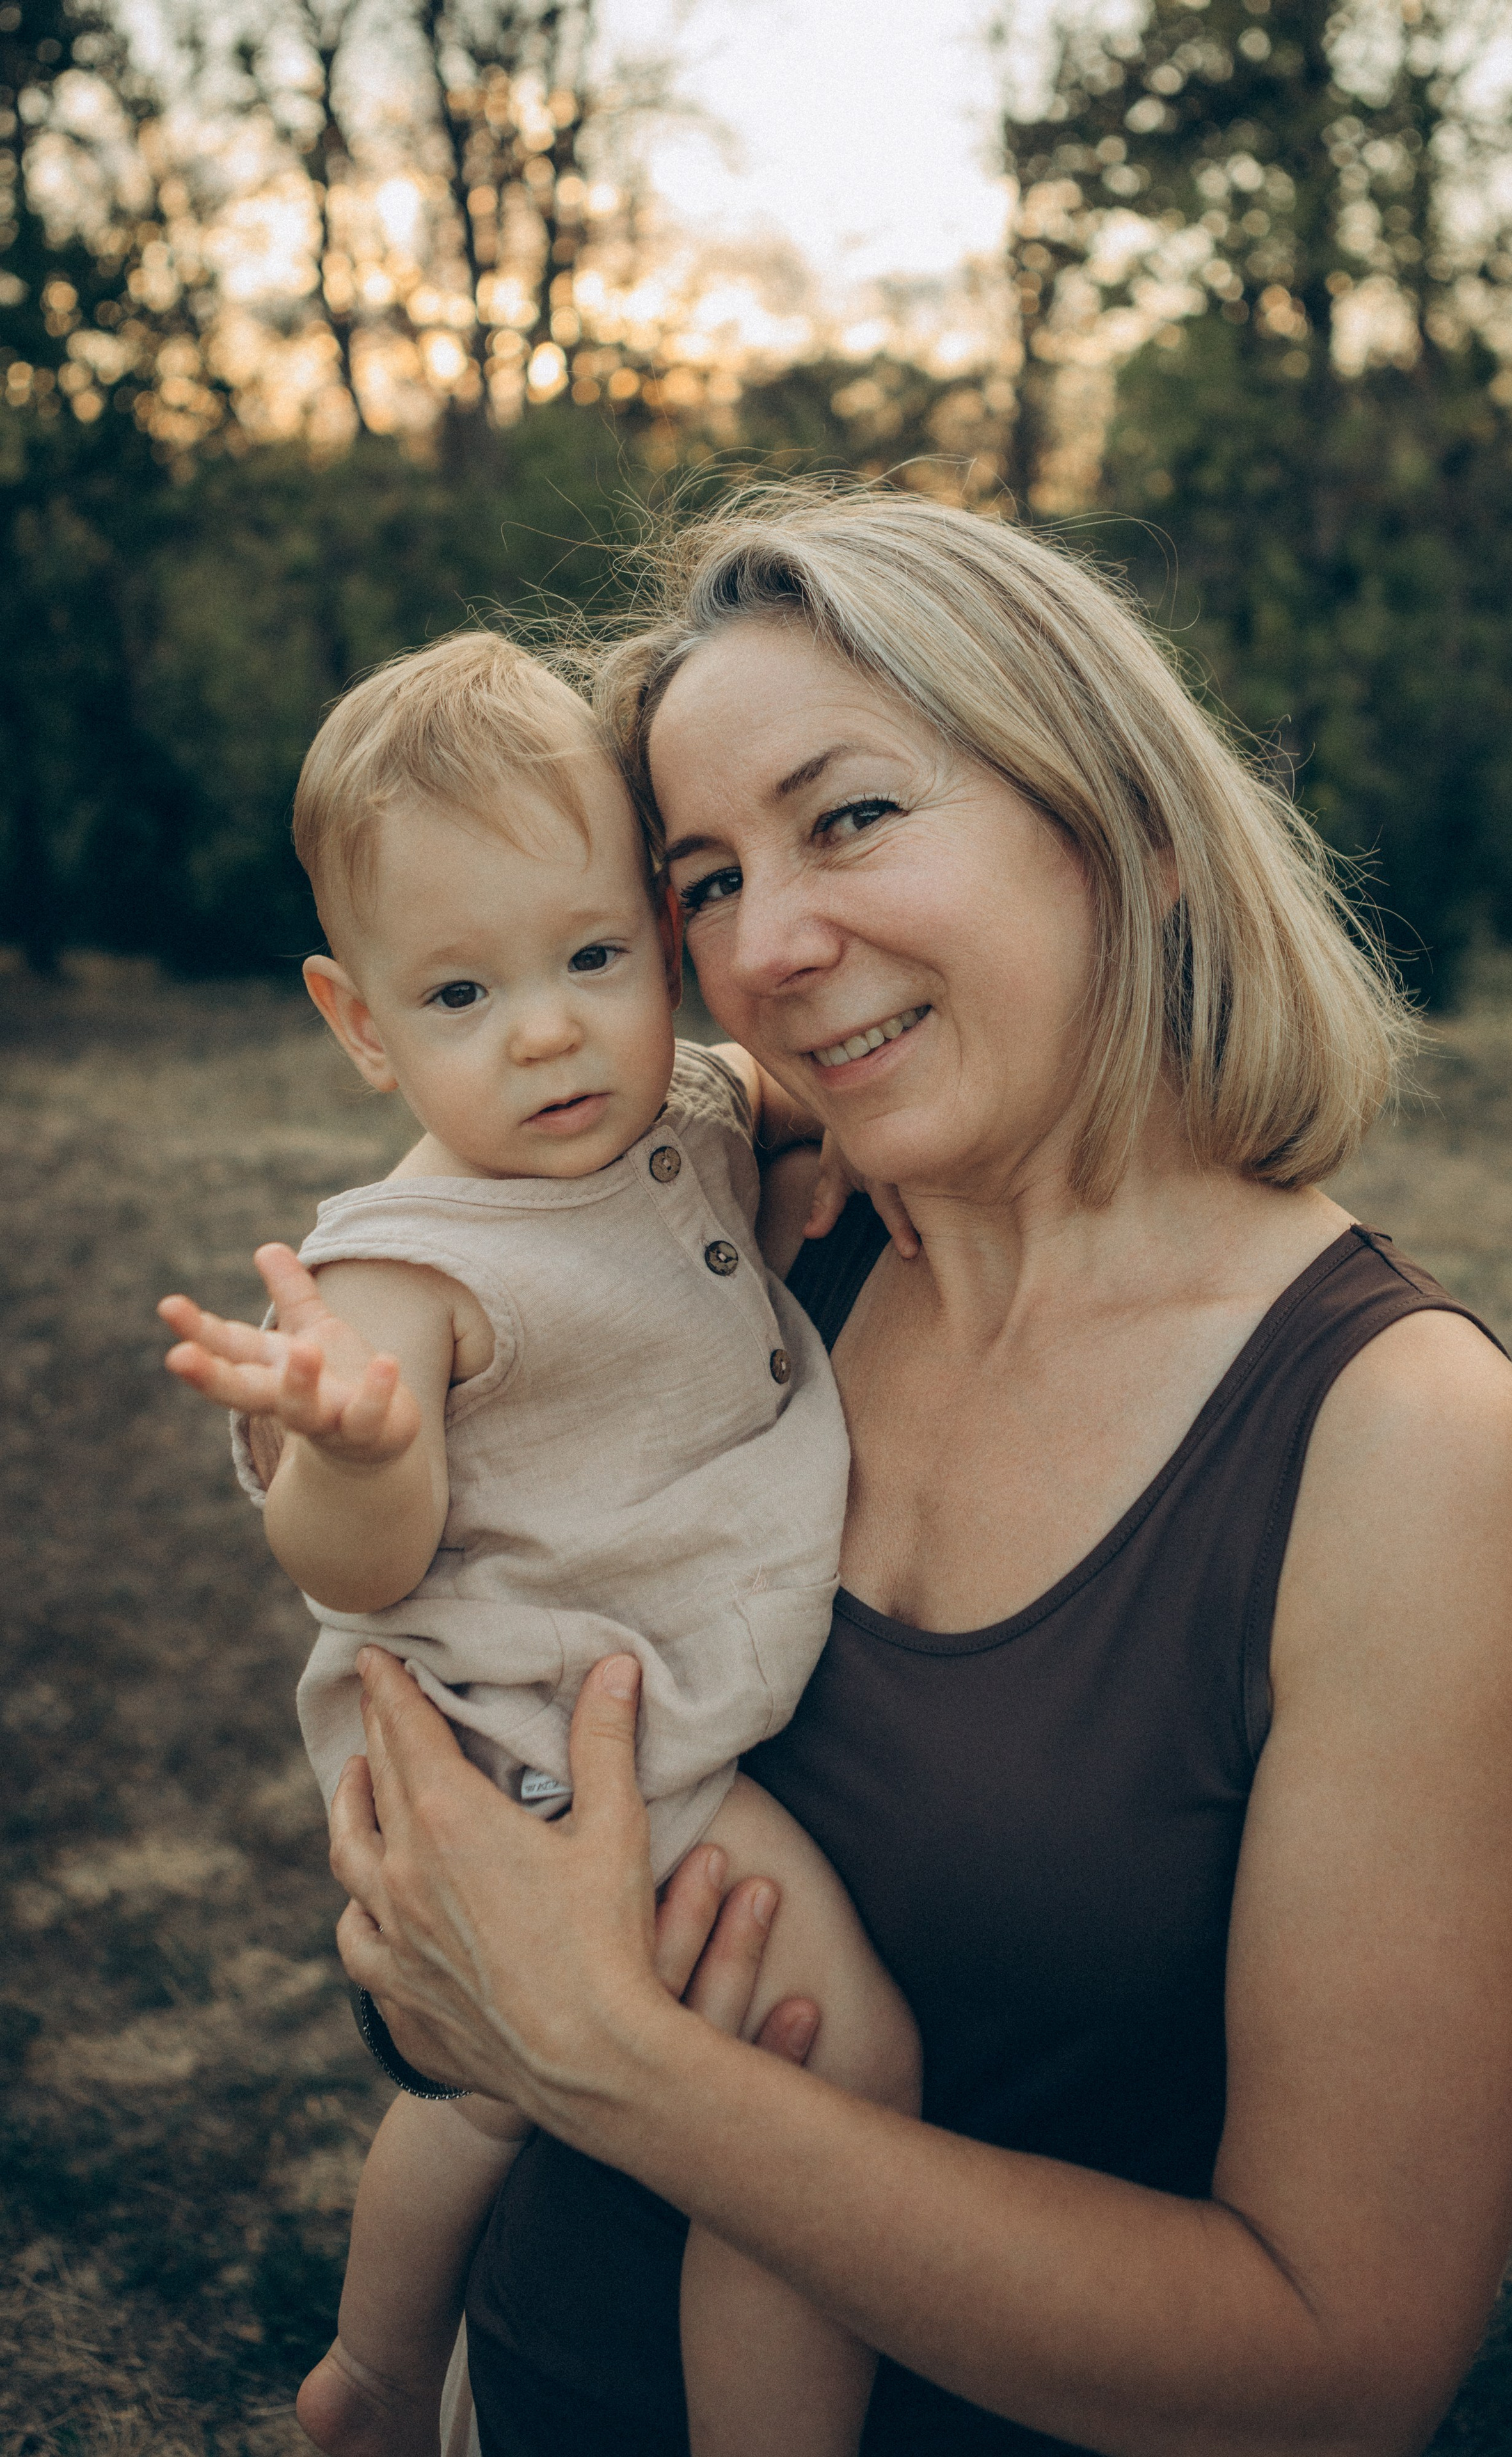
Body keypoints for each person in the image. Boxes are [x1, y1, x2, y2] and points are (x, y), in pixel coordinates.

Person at [319, 487, 1512, 2457]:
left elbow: (1340, 2374)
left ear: (1135, 833)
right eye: (705, 881)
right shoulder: (748, 1256)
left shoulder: (1395, 1444)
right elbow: (464, 1886)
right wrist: (434, 1979)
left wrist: (614, 2063)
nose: (766, 949)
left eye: (847, 818)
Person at [157, 631, 920, 2457]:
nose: (550, 1030)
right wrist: (357, 1447)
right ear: (362, 1025)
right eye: (461, 993)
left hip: (633, 1692)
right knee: (830, 2075)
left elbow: (786, 1104)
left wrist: (832, 1143)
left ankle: (374, 2375)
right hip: (547, 1741)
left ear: (661, 936)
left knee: (495, 2093)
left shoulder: (689, 1108)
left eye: (590, 958)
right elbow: (353, 1567)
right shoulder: (406, 1268)